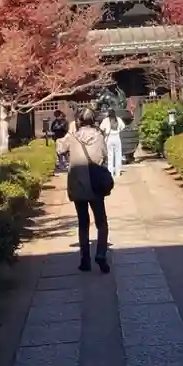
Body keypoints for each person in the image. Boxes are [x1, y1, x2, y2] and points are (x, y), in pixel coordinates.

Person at [59, 108, 110, 272]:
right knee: (101, 222)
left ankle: (85, 260)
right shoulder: (99, 136)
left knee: (83, 223)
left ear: (78, 121)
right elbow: (105, 155)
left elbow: (59, 148)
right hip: (95, 185)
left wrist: (70, 131)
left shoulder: (72, 137)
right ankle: (101, 253)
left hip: (78, 184)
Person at [100, 107, 124, 178]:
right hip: (117, 137)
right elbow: (123, 127)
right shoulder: (118, 119)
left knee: (110, 156)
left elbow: (101, 128)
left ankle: (110, 173)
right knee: (118, 155)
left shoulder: (106, 120)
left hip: (109, 138)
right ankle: (118, 172)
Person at [48, 108, 70, 173]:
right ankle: (61, 164)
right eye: (56, 116)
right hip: (57, 138)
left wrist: (59, 127)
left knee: (65, 151)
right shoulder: (55, 122)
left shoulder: (65, 121)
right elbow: (52, 129)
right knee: (59, 152)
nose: (57, 117)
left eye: (58, 115)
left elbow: (65, 129)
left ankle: (67, 163)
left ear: (60, 115)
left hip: (63, 138)